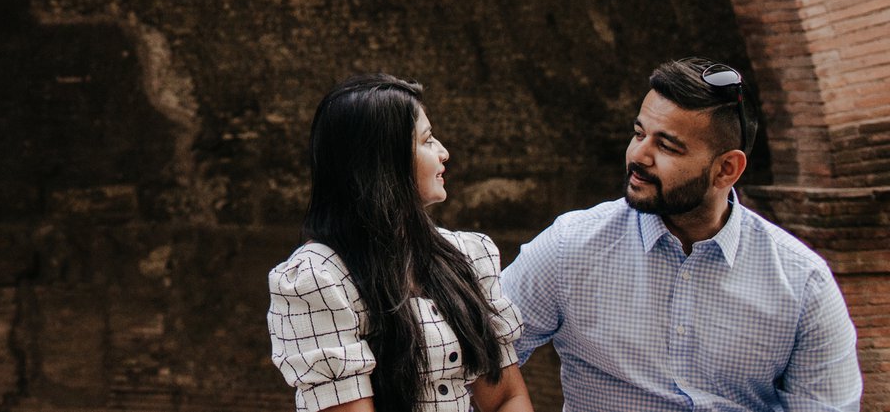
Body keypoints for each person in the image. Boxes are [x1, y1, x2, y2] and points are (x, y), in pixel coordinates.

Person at [501, 57, 862, 412]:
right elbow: (476, 358)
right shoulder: (569, 246)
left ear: (727, 169)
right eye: (639, 134)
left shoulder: (803, 282)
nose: (638, 155)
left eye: (667, 146)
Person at [268, 74, 534, 412]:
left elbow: (507, 397)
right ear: (382, 161)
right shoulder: (318, 280)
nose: (444, 153)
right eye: (427, 140)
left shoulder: (468, 255)